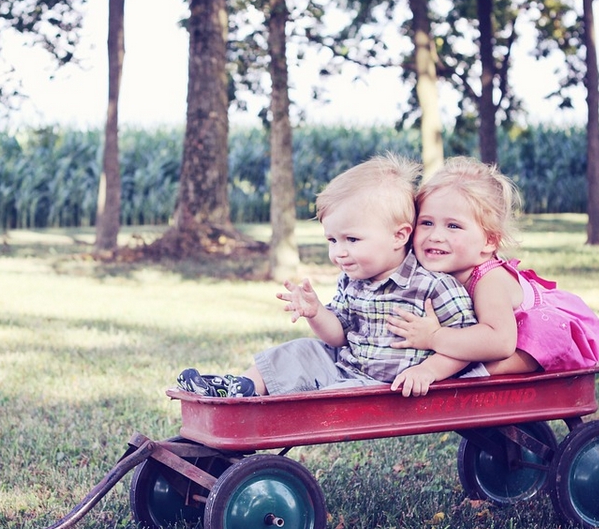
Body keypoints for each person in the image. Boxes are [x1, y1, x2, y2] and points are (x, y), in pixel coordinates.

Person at [177, 154, 481, 399]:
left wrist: (429, 370)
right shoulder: (352, 279)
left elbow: (467, 346)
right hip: (345, 367)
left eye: (352, 240)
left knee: (327, 399)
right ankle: (241, 388)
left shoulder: (433, 286)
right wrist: (316, 313)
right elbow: (338, 336)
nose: (339, 253)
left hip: (383, 389)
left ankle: (259, 405)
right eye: (332, 241)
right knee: (300, 350)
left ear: (398, 236)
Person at [386, 156, 599, 380]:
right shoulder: (437, 270)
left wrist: (434, 337)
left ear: (489, 241)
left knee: (486, 358)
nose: (435, 236)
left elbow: (500, 342)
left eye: (453, 226)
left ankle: (474, 375)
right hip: (500, 335)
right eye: (427, 223)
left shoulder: (489, 281)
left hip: (544, 337)